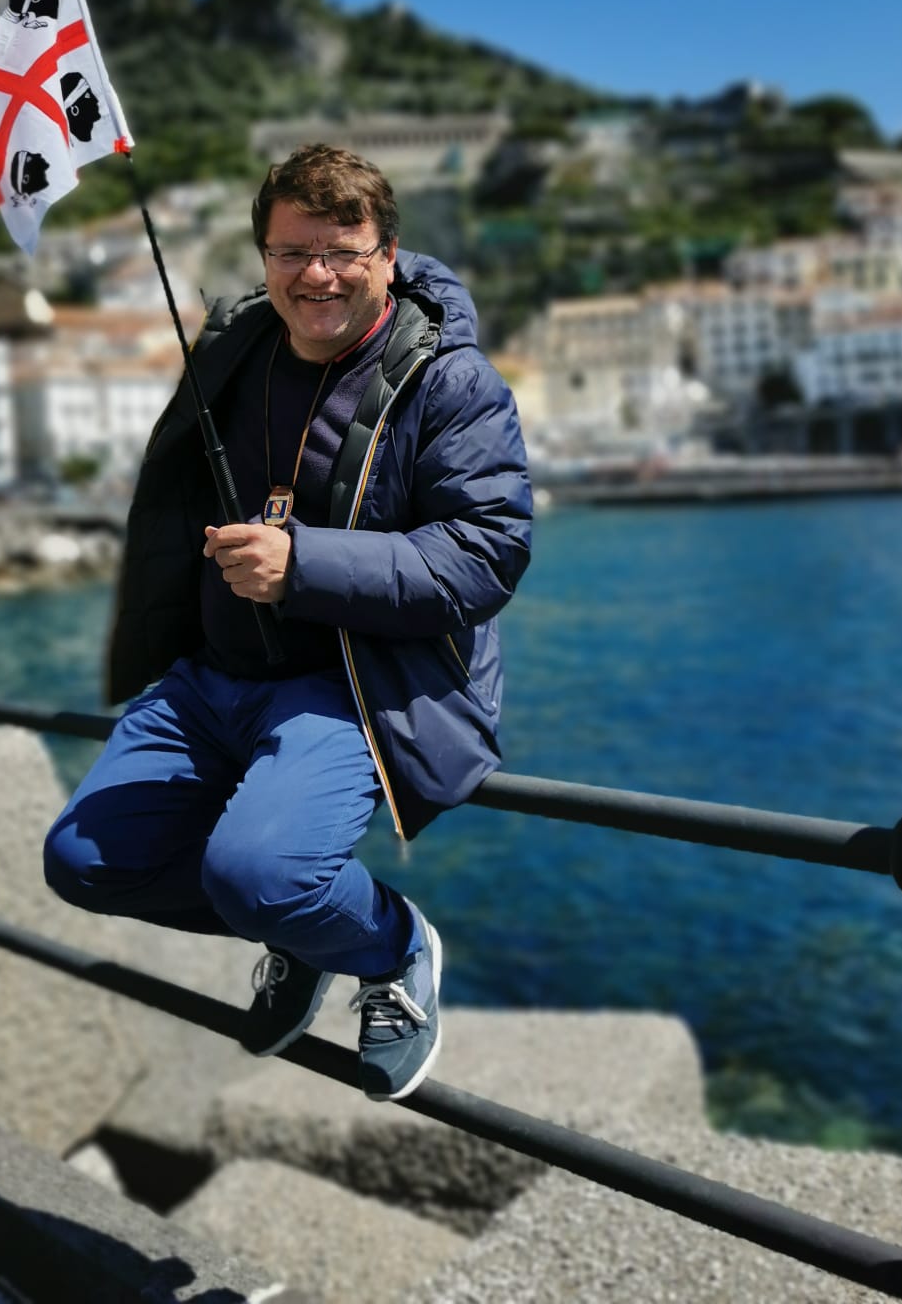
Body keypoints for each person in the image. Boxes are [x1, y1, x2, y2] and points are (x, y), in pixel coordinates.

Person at [43, 145, 532, 1100]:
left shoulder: (452, 382)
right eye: (291, 252)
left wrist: (302, 564)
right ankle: (309, 934)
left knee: (261, 873)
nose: (317, 275)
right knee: (85, 862)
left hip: (355, 682)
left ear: (388, 254)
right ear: (263, 256)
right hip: (213, 676)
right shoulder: (233, 347)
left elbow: (485, 555)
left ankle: (391, 946)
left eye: (343, 251)